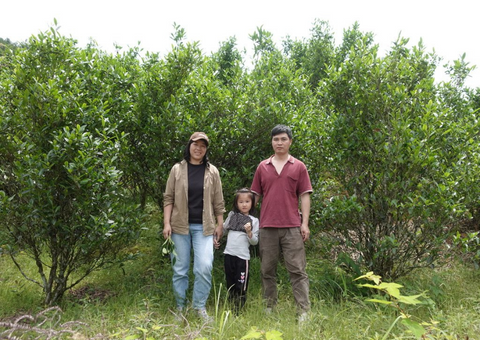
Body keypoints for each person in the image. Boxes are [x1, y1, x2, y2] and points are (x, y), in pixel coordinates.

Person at [250, 124, 312, 322]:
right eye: (276, 139)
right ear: (272, 142)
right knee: (267, 269)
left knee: (297, 270)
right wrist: (248, 220)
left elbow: (305, 196)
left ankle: (303, 312)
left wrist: (305, 224)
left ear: (290, 141)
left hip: (292, 226)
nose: (279, 142)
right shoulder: (262, 166)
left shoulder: (299, 166)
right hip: (267, 226)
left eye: (283, 139)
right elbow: (255, 196)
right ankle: (269, 307)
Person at [163, 132, 225, 322]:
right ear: (189, 146)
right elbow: (168, 197)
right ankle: (180, 309)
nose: (198, 148)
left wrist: (220, 223)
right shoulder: (177, 169)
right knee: (180, 269)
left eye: (203, 146)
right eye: (195, 144)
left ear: (206, 149)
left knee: (204, 266)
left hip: (205, 227)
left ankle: (199, 307)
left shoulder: (212, 171)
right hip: (179, 227)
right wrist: (166, 223)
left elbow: (218, 200)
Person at [221, 188, 259, 314]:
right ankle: (231, 309)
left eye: (247, 201)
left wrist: (249, 232)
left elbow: (255, 242)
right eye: (241, 202)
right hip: (229, 255)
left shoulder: (254, 220)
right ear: (236, 204)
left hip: (242, 258)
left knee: (241, 285)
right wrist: (216, 238)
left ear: (252, 203)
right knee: (230, 283)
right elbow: (224, 230)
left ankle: (239, 310)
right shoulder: (232, 215)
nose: (244, 204)